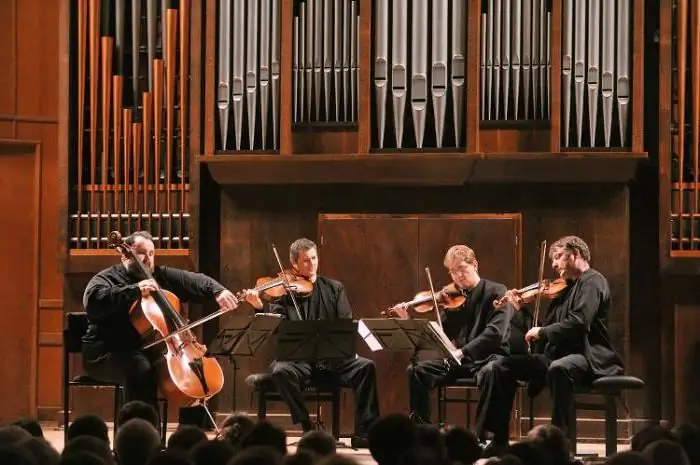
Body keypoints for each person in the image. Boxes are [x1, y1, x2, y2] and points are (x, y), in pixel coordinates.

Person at [478, 235, 624, 454]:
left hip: (588, 356)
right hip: (557, 355)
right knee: (500, 366)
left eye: (558, 257)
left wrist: (543, 332)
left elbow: (580, 323)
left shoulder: (593, 281)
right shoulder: (565, 290)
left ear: (576, 254)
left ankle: (558, 444)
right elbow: (542, 331)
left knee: (559, 368)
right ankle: (497, 440)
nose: (554, 265)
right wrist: (519, 310)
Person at [242, 238, 379, 448]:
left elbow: (344, 321)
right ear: (293, 263)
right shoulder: (282, 293)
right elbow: (274, 326)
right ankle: (307, 426)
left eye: (314, 258)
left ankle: (364, 432)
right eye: (306, 261)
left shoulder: (334, 288)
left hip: (332, 358)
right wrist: (259, 306)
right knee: (280, 371)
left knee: (366, 367)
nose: (312, 264)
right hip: (298, 360)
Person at [81, 230, 239, 410]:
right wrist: (134, 289)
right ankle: (142, 431)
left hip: (146, 351)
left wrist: (218, 291)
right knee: (139, 367)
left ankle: (188, 432)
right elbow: (94, 301)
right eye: (142, 254)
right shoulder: (106, 278)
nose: (148, 259)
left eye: (151, 253)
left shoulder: (159, 275)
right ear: (125, 256)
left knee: (193, 375)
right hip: (107, 352)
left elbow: (196, 280)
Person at [386, 245, 513, 431]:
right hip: (460, 361)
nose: (458, 276)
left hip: (490, 357)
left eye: (462, 269)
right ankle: (422, 430)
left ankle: (484, 434)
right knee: (417, 371)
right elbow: (439, 335)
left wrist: (462, 352)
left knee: (491, 371)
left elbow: (495, 333)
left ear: (475, 265)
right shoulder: (451, 298)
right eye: (453, 272)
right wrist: (407, 320)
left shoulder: (497, 291)